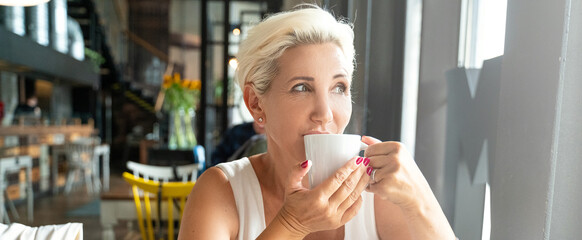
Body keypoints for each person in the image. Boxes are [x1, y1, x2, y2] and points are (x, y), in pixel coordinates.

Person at [179, 5, 456, 240]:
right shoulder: (221, 191)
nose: (325, 113)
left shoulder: (382, 195)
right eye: (301, 88)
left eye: (339, 88)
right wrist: (291, 224)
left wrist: (419, 198)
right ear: (255, 103)